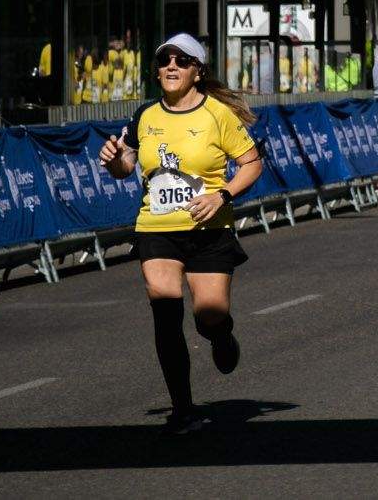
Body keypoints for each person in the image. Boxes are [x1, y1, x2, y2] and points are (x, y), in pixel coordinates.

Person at [99, 33, 263, 436]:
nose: (171, 66)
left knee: (210, 315)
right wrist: (115, 161)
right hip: (157, 226)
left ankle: (221, 336)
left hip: (208, 228)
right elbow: (126, 168)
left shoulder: (217, 115)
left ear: (197, 71)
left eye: (181, 61)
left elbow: (251, 164)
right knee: (165, 307)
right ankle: (183, 407)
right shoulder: (144, 116)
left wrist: (221, 193)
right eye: (165, 60)